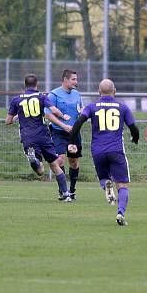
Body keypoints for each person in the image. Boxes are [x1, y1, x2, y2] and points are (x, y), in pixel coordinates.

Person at [68, 79, 139, 226]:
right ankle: (120, 212)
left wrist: (72, 142)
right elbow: (134, 128)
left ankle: (106, 185)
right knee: (122, 185)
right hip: (116, 150)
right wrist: (135, 138)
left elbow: (78, 123)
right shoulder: (122, 107)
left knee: (103, 178)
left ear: (99, 92)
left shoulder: (92, 107)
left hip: (98, 151)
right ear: (115, 91)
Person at [5, 74, 72, 201]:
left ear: (25, 85)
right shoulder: (41, 96)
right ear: (37, 85)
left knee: (40, 171)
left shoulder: (16, 100)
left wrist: (18, 116)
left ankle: (34, 160)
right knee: (54, 164)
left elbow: (7, 121)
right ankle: (65, 194)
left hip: (27, 136)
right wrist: (64, 117)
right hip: (43, 135)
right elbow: (54, 110)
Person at [45, 70, 83, 200]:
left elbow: (80, 111)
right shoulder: (54, 95)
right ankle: (63, 190)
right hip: (58, 132)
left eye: (76, 79)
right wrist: (63, 126)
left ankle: (72, 190)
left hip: (74, 133)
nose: (76, 82)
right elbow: (48, 114)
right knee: (60, 159)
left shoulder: (77, 94)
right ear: (65, 80)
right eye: (73, 79)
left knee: (74, 161)